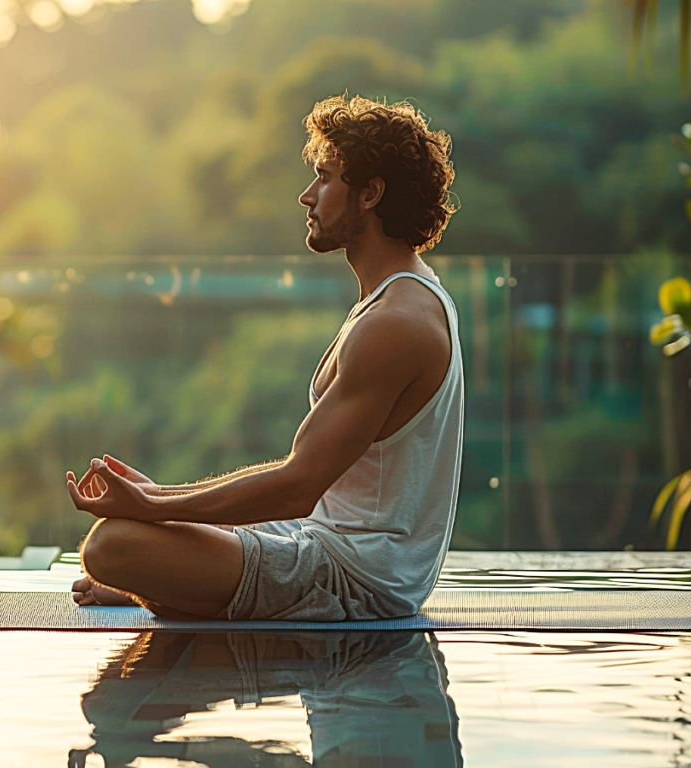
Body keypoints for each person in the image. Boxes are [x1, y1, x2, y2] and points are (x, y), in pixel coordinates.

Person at [66, 94, 463, 621]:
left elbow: (297, 487)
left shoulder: (395, 324)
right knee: (137, 535)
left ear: (369, 194)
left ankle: (164, 582)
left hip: (359, 577)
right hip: (322, 538)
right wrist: (159, 495)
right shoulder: (397, 298)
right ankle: (170, 583)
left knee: (109, 547)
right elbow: (300, 493)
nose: (306, 196)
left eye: (324, 178)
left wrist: (153, 508)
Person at [69, 630, 463, 768]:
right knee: (108, 708)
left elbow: (261, 762)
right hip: (360, 672)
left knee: (108, 707)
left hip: (353, 648)